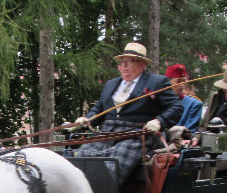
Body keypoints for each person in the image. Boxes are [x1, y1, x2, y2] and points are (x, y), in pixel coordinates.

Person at [71, 42, 182, 182]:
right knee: (81, 157)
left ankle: (103, 192)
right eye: (122, 62)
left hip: (138, 134)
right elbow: (100, 108)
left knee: (112, 166)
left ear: (142, 64)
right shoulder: (111, 84)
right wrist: (87, 119)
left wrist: (159, 121)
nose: (123, 65)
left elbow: (176, 107)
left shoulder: (157, 82)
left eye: (129, 62)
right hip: (108, 133)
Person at [165, 64, 203, 134]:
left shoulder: (194, 104)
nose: (182, 85)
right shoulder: (159, 101)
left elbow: (189, 131)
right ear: (167, 82)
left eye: (184, 81)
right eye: (178, 81)